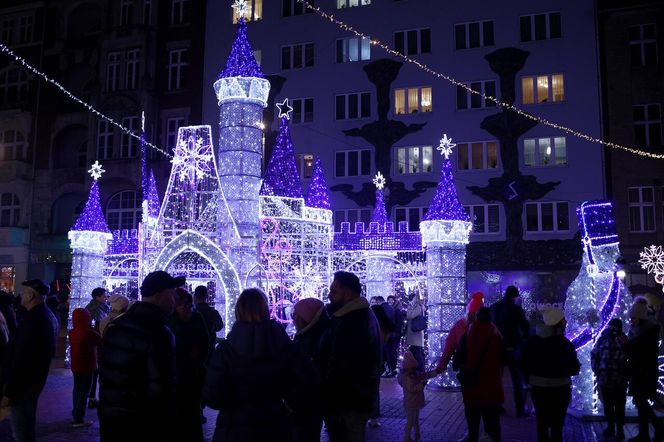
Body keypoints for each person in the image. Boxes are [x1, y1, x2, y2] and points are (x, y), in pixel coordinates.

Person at [204, 288, 318, 442]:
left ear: (238, 310)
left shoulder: (226, 350)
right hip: (275, 425)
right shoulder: (283, 345)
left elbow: (213, 396)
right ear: (266, 309)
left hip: (234, 428)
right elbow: (306, 382)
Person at [98, 271, 181, 442]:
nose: (176, 299)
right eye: (172, 293)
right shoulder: (158, 332)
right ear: (160, 295)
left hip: (111, 419)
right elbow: (160, 389)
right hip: (143, 424)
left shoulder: (116, 326)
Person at [318, 271, 382, 442]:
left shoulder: (354, 320)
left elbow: (344, 362)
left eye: (334, 291)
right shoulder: (348, 316)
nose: (329, 295)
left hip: (348, 401)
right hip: (349, 398)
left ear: (347, 292)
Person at [0, 279, 58, 442]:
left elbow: (22, 359)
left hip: (24, 385)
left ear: (31, 295)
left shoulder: (35, 321)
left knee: (22, 431)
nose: (20, 294)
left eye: (24, 292)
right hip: (31, 382)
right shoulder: (42, 316)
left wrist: (10, 391)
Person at [521, 307, 580, 442]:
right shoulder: (565, 344)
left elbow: (523, 363)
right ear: (558, 323)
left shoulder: (532, 342)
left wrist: (529, 379)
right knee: (557, 426)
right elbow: (574, 368)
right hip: (560, 388)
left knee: (541, 423)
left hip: (538, 387)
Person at [457, 307, 504, 442]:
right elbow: (505, 359)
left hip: (472, 388)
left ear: (477, 317)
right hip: (492, 388)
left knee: (473, 426)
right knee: (493, 426)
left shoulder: (468, 335)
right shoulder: (496, 336)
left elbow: (459, 357)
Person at [169, 288, 209, 442]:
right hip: (176, 378)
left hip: (191, 376)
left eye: (188, 305)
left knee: (191, 418)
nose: (186, 309)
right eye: (182, 305)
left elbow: (204, 344)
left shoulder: (196, 319)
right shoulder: (170, 320)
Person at [622, 298, 664, 442]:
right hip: (640, 372)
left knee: (641, 402)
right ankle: (646, 433)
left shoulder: (647, 333)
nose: (631, 321)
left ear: (639, 317)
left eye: (632, 318)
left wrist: (626, 345)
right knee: (640, 403)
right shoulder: (640, 331)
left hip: (644, 373)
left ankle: (656, 427)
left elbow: (640, 352)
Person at [292, 297, 329, 442]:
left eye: (295, 315)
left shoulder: (310, 341)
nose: (293, 318)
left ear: (305, 318)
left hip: (306, 403)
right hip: (308, 402)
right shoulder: (308, 336)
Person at [490, 285, 530, 417]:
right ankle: (519, 408)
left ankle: (497, 405)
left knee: (496, 377)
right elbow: (525, 327)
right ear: (515, 296)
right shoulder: (516, 309)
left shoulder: (494, 307)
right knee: (516, 378)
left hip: (498, 347)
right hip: (513, 346)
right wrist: (523, 339)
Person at [591, 318, 628, 439]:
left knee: (619, 406)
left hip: (619, 379)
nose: (613, 330)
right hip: (605, 378)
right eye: (611, 327)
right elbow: (594, 354)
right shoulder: (602, 340)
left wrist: (626, 371)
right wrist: (596, 369)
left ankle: (620, 429)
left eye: (615, 328)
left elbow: (629, 355)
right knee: (607, 405)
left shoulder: (624, 340)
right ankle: (611, 427)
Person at [68, 308, 102, 428]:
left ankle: (75, 413)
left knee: (77, 390)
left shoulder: (72, 332)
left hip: (76, 365)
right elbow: (100, 341)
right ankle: (79, 418)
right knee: (84, 391)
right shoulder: (89, 333)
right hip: (87, 365)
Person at [436, 292, 484, 374]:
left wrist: (441, 366)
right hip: (485, 369)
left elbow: (449, 347)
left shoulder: (460, 325)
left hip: (466, 368)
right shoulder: (490, 327)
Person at [398, 350, 437, 442]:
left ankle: (417, 433)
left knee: (415, 420)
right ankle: (406, 438)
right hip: (410, 403)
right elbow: (412, 389)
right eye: (412, 368)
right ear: (408, 368)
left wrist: (434, 372)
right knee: (410, 421)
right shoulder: (407, 377)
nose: (414, 370)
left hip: (414, 402)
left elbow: (424, 375)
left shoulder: (413, 374)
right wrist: (422, 385)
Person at [84, 287, 109, 409]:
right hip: (96, 344)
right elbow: (97, 326)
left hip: (98, 343)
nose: (106, 298)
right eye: (104, 296)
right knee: (95, 371)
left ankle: (93, 397)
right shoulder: (94, 309)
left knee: (96, 371)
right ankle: (92, 397)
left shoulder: (100, 308)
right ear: (97, 297)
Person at [193, 285, 223, 357]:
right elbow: (219, 327)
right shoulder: (213, 312)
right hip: (210, 347)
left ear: (195, 296)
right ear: (207, 296)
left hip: (194, 349)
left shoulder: (192, 312)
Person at [406, 293, 425, 372]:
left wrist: (410, 308)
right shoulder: (413, 306)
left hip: (416, 334)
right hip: (413, 333)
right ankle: (417, 370)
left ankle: (420, 370)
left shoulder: (418, 306)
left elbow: (410, 316)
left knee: (418, 353)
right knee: (414, 353)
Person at [387, 295, 404, 377]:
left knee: (392, 352)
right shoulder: (390, 310)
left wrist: (396, 333)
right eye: (389, 300)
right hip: (390, 334)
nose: (390, 301)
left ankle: (393, 369)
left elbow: (399, 324)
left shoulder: (396, 311)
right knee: (390, 352)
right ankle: (391, 369)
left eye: (391, 300)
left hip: (394, 335)